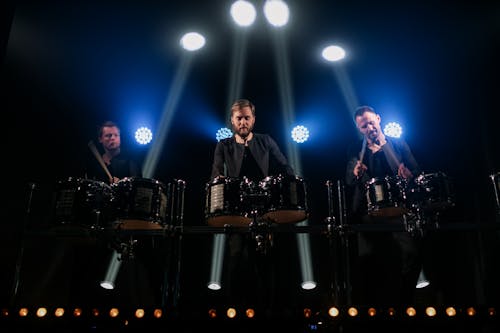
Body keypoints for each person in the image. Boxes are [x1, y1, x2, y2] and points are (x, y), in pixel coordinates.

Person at [209, 98, 296, 312]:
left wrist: (288, 183)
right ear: (232, 120)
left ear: (253, 120)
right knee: (236, 257)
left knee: (265, 259)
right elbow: (216, 174)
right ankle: (234, 308)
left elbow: (285, 166)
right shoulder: (224, 145)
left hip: (264, 208)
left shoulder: (265, 140)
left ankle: (268, 309)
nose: (243, 122)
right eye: (239, 118)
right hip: (237, 209)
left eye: (247, 118)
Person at [345, 105, 422, 307]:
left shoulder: (397, 145)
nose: (369, 128)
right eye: (363, 126)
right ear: (359, 129)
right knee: (370, 260)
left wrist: (408, 175)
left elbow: (415, 171)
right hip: (368, 214)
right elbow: (349, 180)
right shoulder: (356, 150)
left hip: (399, 210)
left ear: (379, 119)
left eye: (371, 122)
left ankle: (403, 302)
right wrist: (355, 172)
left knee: (410, 255)